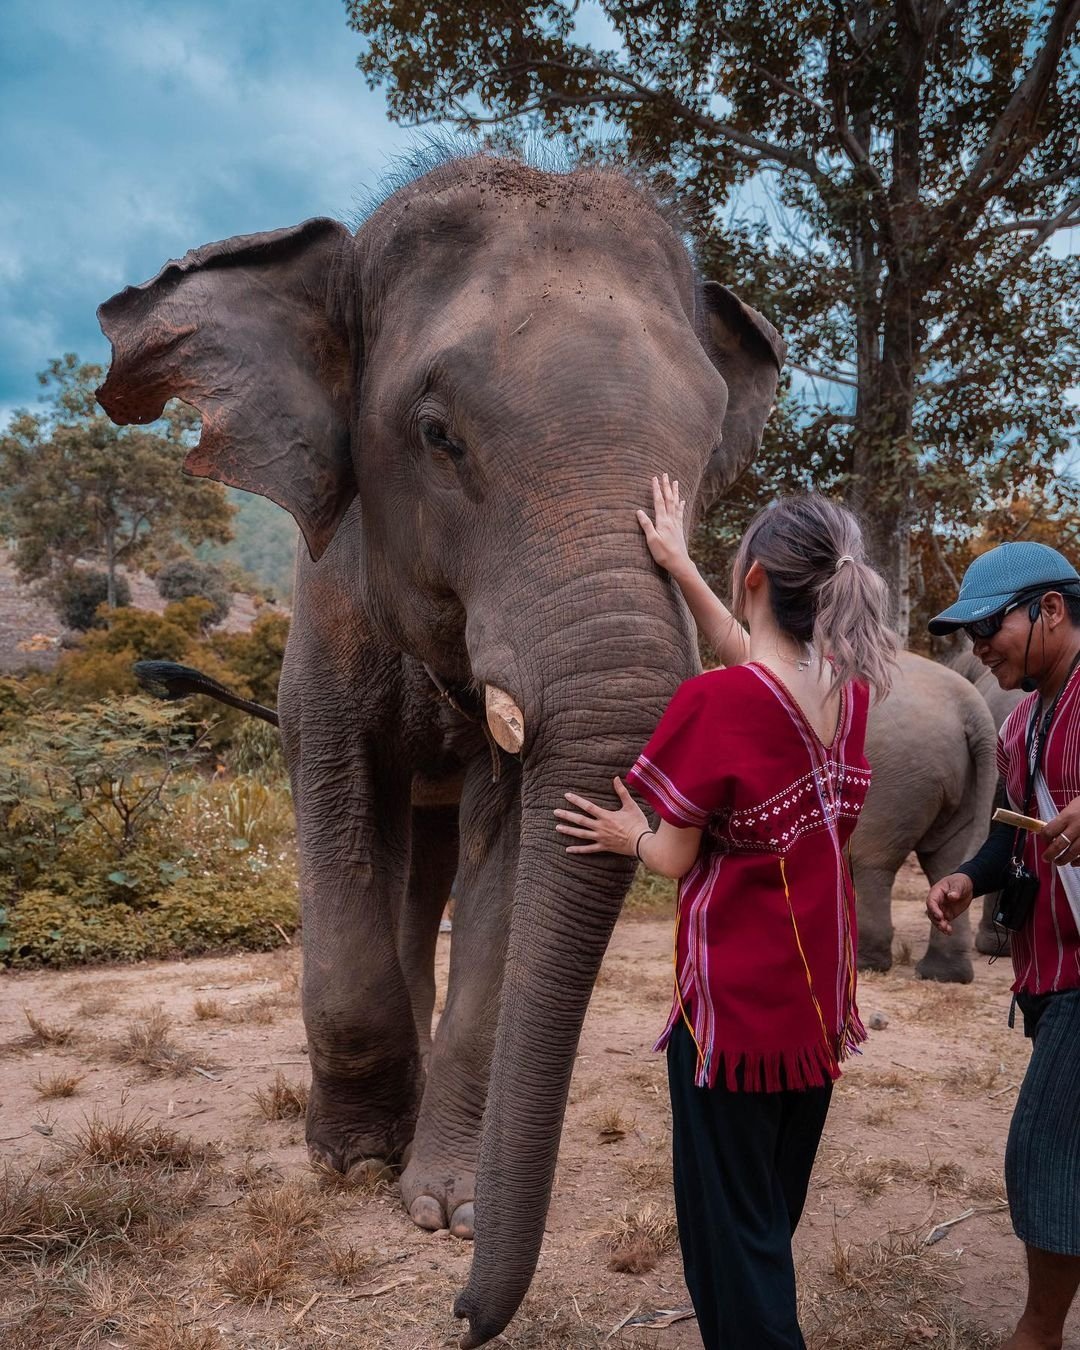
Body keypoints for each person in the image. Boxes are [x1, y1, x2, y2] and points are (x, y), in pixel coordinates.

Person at [554, 476, 895, 1349]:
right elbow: (758, 658)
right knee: (763, 1227)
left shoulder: (717, 702)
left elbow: (674, 855)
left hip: (731, 1028)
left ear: (756, 579)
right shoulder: (847, 696)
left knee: (729, 1253)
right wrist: (683, 568)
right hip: (817, 1018)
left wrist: (628, 833)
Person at [925, 541, 1080, 1350]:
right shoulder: (1020, 723)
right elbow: (1010, 836)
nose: (979, 644)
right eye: (970, 632)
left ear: (1049, 609)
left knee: (1042, 1150)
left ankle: (1039, 1328)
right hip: (1050, 970)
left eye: (990, 625)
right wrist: (966, 879)